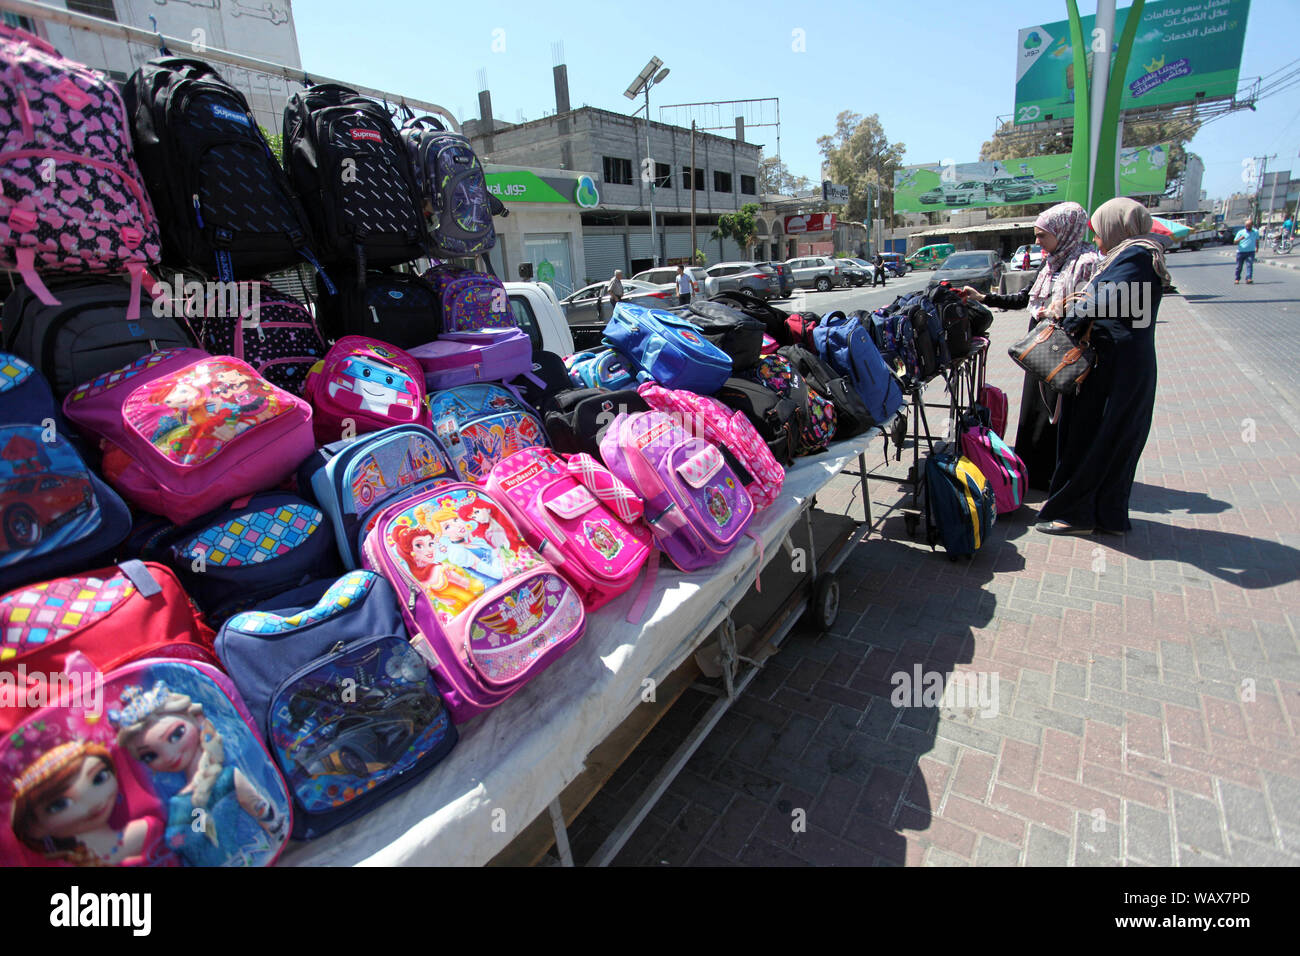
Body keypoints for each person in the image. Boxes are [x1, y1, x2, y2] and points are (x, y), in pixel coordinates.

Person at [1033, 197, 1168, 536]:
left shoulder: (1136, 256)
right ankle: (1104, 515)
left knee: (1094, 437)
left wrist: (1068, 313)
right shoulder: (1135, 256)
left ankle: (1077, 515)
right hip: (1118, 364)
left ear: (1116, 227)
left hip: (1114, 369)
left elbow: (1108, 301)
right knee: (1105, 438)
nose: (1095, 239)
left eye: (1099, 231)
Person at [960, 201, 1101, 489]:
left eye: (1042, 235)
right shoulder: (1050, 264)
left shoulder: (1087, 263)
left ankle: (1057, 476)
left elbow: (1094, 310)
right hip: (1040, 346)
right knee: (1036, 409)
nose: (1037, 242)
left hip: (1066, 349)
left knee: (1058, 411)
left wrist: (1062, 314)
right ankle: (1033, 473)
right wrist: (983, 298)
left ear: (1065, 231)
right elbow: (1024, 298)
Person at [1234, 219, 1259, 284]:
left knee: (1249, 265)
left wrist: (1257, 247)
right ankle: (1237, 278)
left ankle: (1248, 278)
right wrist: (1240, 239)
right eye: (1246, 226)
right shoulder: (1240, 232)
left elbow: (1257, 240)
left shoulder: (1255, 232)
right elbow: (1235, 242)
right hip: (1241, 252)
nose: (1247, 227)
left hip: (1250, 252)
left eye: (1249, 225)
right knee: (1239, 266)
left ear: (1252, 225)